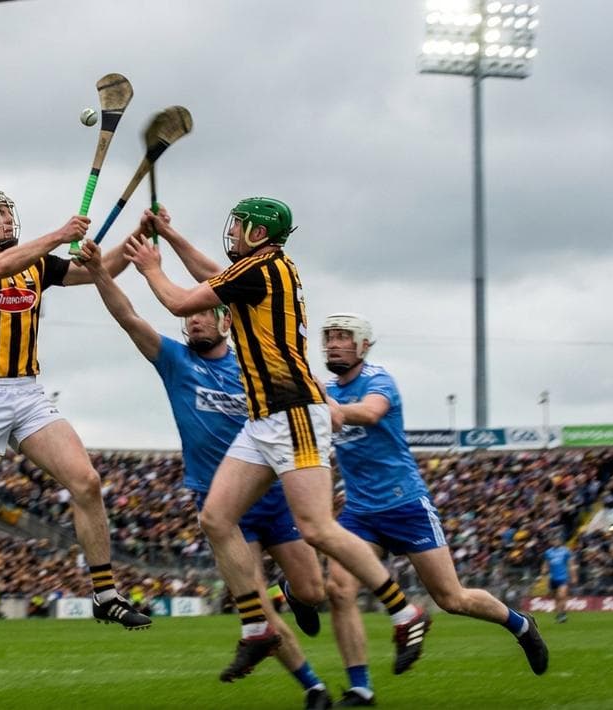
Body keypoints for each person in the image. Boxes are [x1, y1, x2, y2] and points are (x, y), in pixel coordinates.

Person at [125, 199, 430, 704]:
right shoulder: (258, 270)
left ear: (258, 231)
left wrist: (152, 267)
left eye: (240, 225)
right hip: (262, 419)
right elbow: (213, 275)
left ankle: (404, 611)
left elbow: (183, 301)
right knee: (216, 518)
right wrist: (172, 238)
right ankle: (256, 628)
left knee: (317, 528)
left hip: (293, 412)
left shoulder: (263, 267)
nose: (234, 231)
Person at [85, 221, 331, 705]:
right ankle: (313, 686)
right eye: (192, 318)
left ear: (227, 321)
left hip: (274, 493)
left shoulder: (253, 364)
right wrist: (100, 275)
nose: (195, 321)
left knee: (314, 591)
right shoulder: (175, 360)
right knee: (255, 606)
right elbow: (131, 318)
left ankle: (294, 591)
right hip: (217, 496)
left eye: (206, 316)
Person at [0, 190, 152, 649]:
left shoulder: (37, 263)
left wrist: (137, 237)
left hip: (28, 392)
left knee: (87, 482)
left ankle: (105, 593)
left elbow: (102, 271)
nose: (4, 220)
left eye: (5, 212)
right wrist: (61, 233)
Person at [320, 313, 549, 706]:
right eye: (329, 337)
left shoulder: (378, 381)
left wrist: (317, 404)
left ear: (364, 345)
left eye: (344, 337)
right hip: (359, 513)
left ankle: (520, 624)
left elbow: (369, 413)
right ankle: (360, 688)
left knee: (451, 598)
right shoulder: (324, 389)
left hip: (405, 505)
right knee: (339, 591)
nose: (335, 344)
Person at [541, 536, 578, 624]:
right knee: (556, 598)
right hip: (553, 578)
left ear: (560, 541)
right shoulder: (548, 552)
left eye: (557, 539)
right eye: (553, 540)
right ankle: (560, 613)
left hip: (563, 578)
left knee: (562, 595)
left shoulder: (566, 551)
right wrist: (544, 570)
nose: (555, 541)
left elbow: (571, 565)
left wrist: (574, 576)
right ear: (551, 541)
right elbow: (546, 563)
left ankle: (562, 615)